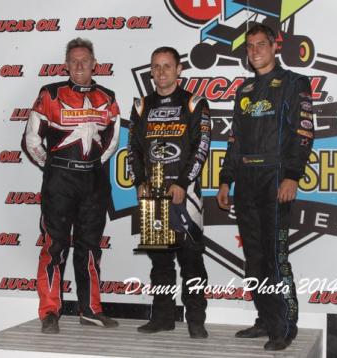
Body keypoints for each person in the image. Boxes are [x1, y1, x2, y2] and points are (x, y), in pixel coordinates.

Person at [216, 24, 314, 351]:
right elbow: (235, 140)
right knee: (254, 257)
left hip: (275, 179)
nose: (255, 50)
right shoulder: (243, 90)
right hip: (245, 181)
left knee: (275, 257)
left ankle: (284, 326)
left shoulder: (293, 83)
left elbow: (303, 133)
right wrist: (225, 180)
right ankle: (264, 318)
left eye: (261, 44)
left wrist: (292, 175)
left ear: (274, 47)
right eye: (250, 46)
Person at [23, 37, 120, 334]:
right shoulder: (50, 94)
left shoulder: (108, 96)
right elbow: (31, 140)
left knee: (90, 248)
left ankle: (90, 309)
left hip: (93, 183)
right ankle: (50, 312)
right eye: (73, 61)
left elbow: (113, 140)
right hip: (60, 183)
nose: (79, 65)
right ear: (66, 64)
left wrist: (91, 166)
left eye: (84, 60)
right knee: (55, 247)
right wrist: (53, 167)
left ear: (94, 64)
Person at [127, 47, 211, 339]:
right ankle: (162, 316)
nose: (161, 72)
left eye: (167, 66)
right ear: (151, 71)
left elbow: (202, 147)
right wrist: (139, 181)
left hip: (185, 194)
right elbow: (134, 149)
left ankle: (196, 320)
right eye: (156, 67)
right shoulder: (141, 106)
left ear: (179, 70)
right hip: (153, 194)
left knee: (192, 261)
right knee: (160, 262)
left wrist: (184, 184)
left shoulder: (194, 103)